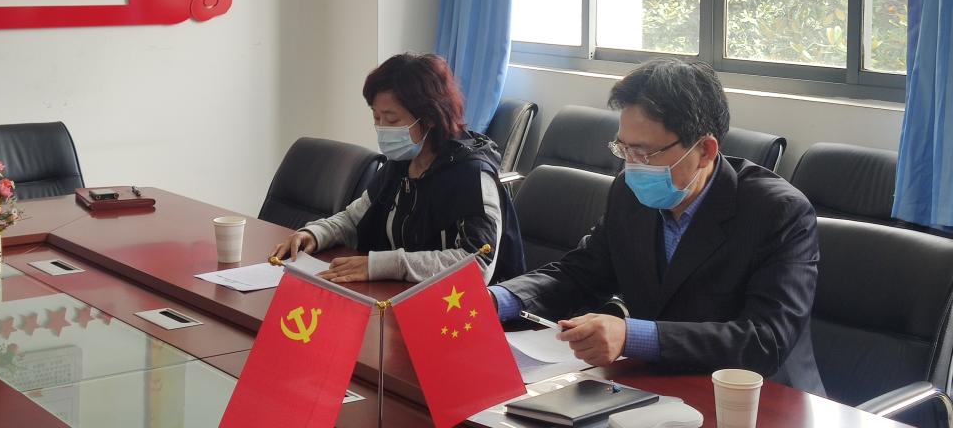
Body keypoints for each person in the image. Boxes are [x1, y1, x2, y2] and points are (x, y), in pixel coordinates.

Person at [491, 57, 824, 394]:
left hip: (761, 398)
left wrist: (631, 335)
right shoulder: (629, 193)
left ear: (705, 150)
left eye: (644, 153)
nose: (631, 166)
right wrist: (496, 300)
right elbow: (579, 273)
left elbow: (765, 340)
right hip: (660, 386)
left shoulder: (778, 213)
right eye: (623, 149)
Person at [272, 52, 525, 285]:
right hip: (401, 295)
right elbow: (355, 218)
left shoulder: (472, 175)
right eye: (376, 117)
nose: (382, 128)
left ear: (429, 117)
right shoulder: (402, 163)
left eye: (392, 119)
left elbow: (478, 264)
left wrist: (383, 265)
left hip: (462, 309)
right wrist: (315, 233)